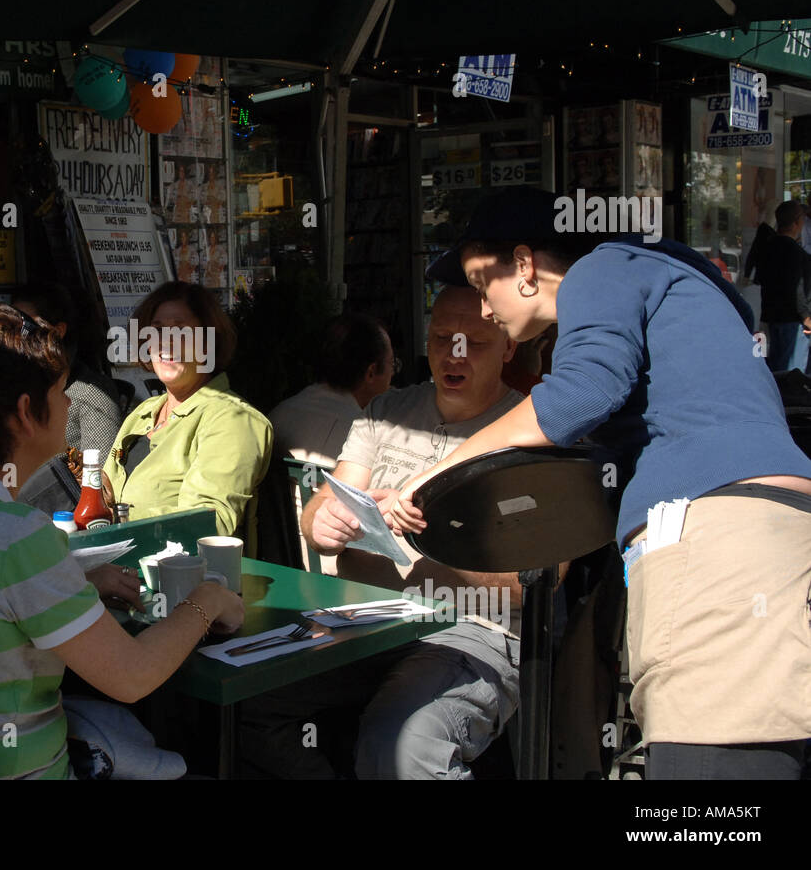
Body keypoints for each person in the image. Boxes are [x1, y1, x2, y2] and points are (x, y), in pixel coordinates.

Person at [391, 186, 811, 780]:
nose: (483, 310)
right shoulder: (663, 287)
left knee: (709, 774)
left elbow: (580, 395)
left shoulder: (604, 268)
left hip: (716, 533)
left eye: (483, 284)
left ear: (527, 264)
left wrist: (436, 472)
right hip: (766, 529)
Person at [0, 302, 244, 779]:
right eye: (62, 392)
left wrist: (76, 576)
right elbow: (133, 676)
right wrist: (207, 599)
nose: (70, 405)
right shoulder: (17, 537)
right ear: (25, 412)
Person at [239, 286, 525, 779]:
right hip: (363, 619)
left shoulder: (529, 429)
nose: (453, 355)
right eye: (441, 338)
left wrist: (431, 539)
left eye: (473, 342)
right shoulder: (385, 412)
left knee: (401, 744)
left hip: (470, 630)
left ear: (509, 347)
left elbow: (534, 582)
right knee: (249, 704)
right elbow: (325, 507)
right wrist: (324, 524)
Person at [101, 281, 273, 554]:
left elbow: (208, 524)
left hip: (186, 583)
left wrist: (120, 523)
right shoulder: (143, 413)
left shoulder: (232, 419)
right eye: (156, 330)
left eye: (181, 330)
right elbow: (103, 491)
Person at [268, 313, 394, 469]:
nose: (393, 374)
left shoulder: (277, 415)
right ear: (371, 372)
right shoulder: (367, 436)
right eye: (392, 364)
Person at [10, 281, 121, 457]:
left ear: (58, 330)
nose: (18, 335)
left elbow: (100, 474)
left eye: (27, 326)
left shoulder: (90, 393)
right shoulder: (11, 383)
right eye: (12, 325)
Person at [753, 200, 811, 372]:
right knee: (793, 373)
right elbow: (796, 287)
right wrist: (806, 316)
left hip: (772, 316)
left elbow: (761, 278)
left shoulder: (768, 247)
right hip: (792, 320)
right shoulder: (795, 252)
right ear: (796, 223)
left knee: (778, 368)